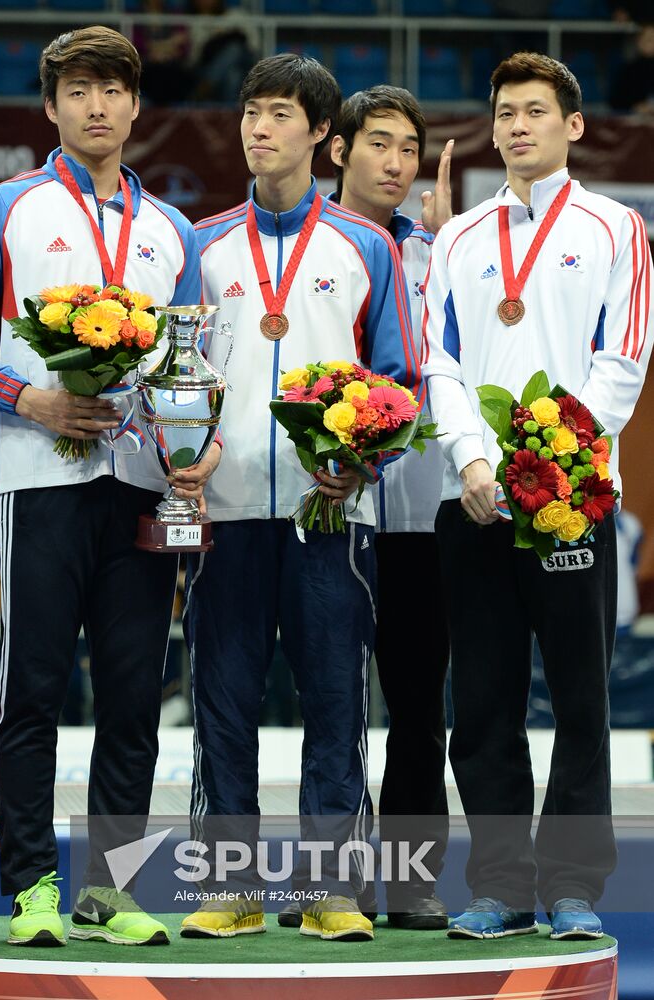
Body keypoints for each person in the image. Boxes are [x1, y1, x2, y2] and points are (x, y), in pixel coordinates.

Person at [0, 25, 218, 947]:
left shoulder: (172, 231)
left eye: (113, 91)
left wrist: (191, 447)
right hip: (39, 482)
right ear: (51, 108)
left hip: (140, 486)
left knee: (135, 694)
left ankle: (112, 887)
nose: (97, 107)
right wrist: (31, 400)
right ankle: (33, 892)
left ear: (138, 106)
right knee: (34, 690)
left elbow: (191, 357)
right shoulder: (3, 210)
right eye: (78, 91)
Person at [180, 53, 419, 943]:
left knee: (333, 699)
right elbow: (181, 378)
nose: (258, 129)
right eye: (250, 112)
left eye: (280, 114)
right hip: (227, 509)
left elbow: (397, 380)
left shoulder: (366, 247)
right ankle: (229, 886)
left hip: (332, 513)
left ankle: (331, 888)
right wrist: (185, 455)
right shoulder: (201, 246)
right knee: (223, 700)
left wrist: (363, 464)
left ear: (321, 133)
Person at [422, 51, 652, 940]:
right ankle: (499, 886)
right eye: (504, 112)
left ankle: (572, 889)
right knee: (479, 702)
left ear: (573, 127)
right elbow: (439, 361)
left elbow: (621, 359)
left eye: (533, 111)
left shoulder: (612, 227)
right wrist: (475, 464)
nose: (516, 126)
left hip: (572, 498)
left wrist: (548, 461)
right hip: (474, 499)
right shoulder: (459, 237)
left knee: (580, 698)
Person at [326, 85, 453, 932]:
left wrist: (448, 244)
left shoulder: (435, 253)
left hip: (413, 514)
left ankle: (407, 881)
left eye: (408, 149)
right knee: (329, 707)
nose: (397, 164)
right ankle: (330, 884)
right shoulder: (307, 245)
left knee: (416, 708)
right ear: (336, 151)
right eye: (379, 145)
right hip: (322, 510)